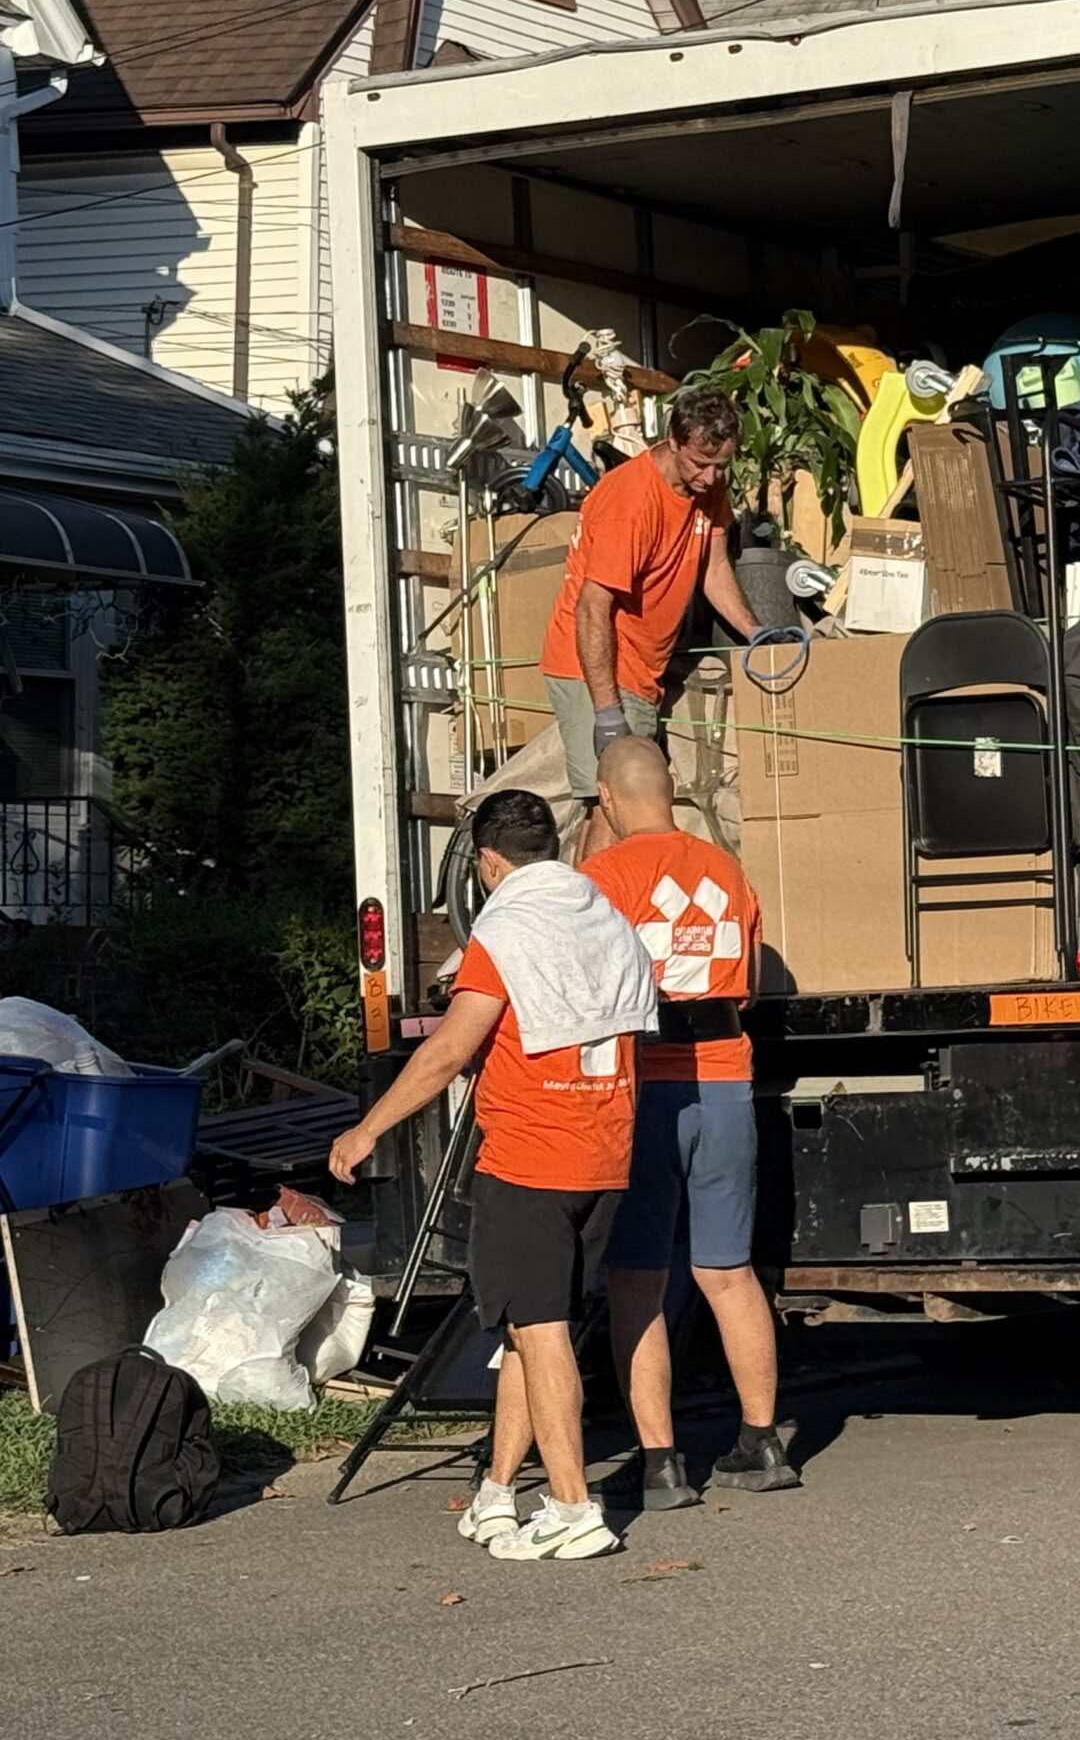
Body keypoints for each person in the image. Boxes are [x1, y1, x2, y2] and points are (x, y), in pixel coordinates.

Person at [329, 790, 658, 1561]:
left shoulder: (505, 931)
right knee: (526, 1329)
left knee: (541, 1334)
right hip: (605, 1151)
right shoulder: (605, 917)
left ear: (485, 861)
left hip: (531, 1158)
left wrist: (368, 1128)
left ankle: (573, 1507)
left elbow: (450, 1049)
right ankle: (497, 1493)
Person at [580, 738, 798, 1508]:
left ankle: (661, 1462)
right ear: (670, 791)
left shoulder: (603, 876)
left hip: (646, 1090)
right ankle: (762, 1442)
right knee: (728, 1273)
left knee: (637, 1279)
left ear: (607, 800)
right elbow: (748, 987)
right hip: (727, 1084)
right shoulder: (726, 870)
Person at [539, 386, 759, 859]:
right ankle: (596, 905)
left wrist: (756, 632)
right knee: (619, 805)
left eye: (721, 465)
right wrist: (607, 712)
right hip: (597, 665)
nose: (710, 477)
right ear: (673, 442)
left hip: (642, 671)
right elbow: (591, 608)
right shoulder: (631, 502)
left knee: (615, 809)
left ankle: (593, 898)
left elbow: (714, 568)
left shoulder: (708, 488)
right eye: (700, 463)